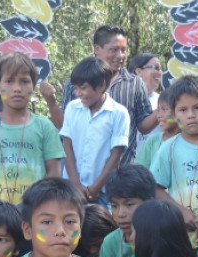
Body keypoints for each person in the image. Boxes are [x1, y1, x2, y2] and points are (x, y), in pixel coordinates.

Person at [43, 25, 156, 165]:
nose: (120, 56)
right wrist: (51, 102)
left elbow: (143, 126)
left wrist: (163, 110)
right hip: (80, 173)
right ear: (97, 49)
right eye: (114, 50)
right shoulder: (75, 83)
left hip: (122, 174)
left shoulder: (135, 83)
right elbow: (64, 126)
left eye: (123, 50)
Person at [0, 53, 63, 205]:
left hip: (35, 214)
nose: (17, 88)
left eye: (24, 81)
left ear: (33, 86)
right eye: (9, 81)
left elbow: (54, 171)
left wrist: (39, 207)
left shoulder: (45, 127)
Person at [150, 75, 198, 243]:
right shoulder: (169, 148)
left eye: (197, 107)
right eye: (183, 110)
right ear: (174, 114)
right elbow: (155, 187)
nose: (191, 115)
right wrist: (181, 212)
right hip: (181, 236)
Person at [60, 57, 129, 207]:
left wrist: (96, 187)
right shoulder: (72, 108)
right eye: (76, 88)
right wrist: (75, 183)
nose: (78, 93)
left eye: (83, 88)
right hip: (70, 189)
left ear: (101, 86)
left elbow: (116, 154)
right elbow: (66, 145)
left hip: (101, 192)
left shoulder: (118, 113)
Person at [97, 165, 157, 257]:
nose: (120, 213)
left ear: (150, 203)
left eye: (129, 204)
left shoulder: (161, 235)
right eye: (114, 206)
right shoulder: (110, 241)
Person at [134, 87, 179, 169]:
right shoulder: (152, 141)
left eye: (165, 109)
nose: (159, 115)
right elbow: (138, 171)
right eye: (158, 110)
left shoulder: (189, 141)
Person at [128, 52, 163, 154]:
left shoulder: (163, 100)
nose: (160, 73)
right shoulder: (122, 99)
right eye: (156, 68)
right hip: (128, 165)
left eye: (160, 69)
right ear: (139, 71)